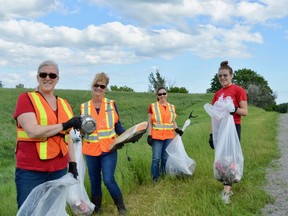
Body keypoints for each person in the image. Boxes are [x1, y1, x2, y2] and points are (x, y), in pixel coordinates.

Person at [14, 60, 82, 209]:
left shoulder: (64, 104)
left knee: (52, 210)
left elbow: (67, 136)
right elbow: (32, 131)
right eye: (43, 74)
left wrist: (72, 163)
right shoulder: (26, 99)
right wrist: (65, 125)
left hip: (58, 169)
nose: (47, 78)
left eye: (52, 75)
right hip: (31, 171)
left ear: (57, 79)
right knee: (29, 210)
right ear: (37, 77)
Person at [80, 72, 127, 215]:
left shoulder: (111, 104)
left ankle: (122, 208)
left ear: (105, 88)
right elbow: (82, 129)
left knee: (108, 179)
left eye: (102, 86)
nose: (98, 88)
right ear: (92, 86)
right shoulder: (84, 107)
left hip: (109, 149)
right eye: (96, 85)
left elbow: (117, 125)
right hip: (90, 150)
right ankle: (97, 209)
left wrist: (128, 135)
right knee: (94, 181)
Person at [209, 60, 248, 204]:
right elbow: (213, 116)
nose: (222, 78)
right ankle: (228, 184)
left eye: (225, 75)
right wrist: (212, 134)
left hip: (233, 128)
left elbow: (245, 112)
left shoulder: (238, 90)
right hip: (220, 129)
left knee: (230, 157)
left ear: (231, 75)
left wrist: (234, 110)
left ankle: (226, 191)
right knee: (221, 158)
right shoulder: (217, 93)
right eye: (220, 76)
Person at [147, 86, 183, 181]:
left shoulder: (172, 107)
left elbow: (172, 122)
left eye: (164, 93)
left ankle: (163, 177)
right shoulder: (153, 106)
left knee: (165, 158)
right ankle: (155, 179)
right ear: (157, 96)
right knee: (156, 159)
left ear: (167, 94)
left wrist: (177, 130)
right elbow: (150, 123)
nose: (162, 95)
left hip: (169, 137)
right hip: (157, 137)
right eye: (160, 94)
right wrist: (149, 135)